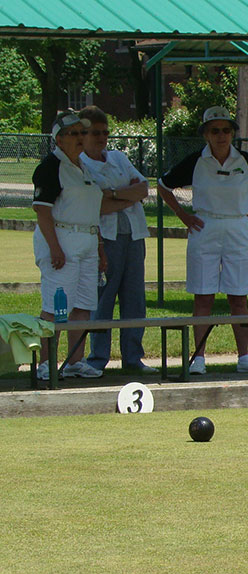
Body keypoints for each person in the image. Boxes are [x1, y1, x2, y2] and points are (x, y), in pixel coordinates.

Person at [157, 106, 248, 374]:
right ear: (205, 134)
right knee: (203, 296)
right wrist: (182, 214)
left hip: (238, 227)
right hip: (205, 226)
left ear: (233, 133)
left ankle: (244, 358)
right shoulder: (195, 161)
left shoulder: (245, 160)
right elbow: (163, 186)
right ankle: (199, 359)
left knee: (238, 296)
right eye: (215, 131)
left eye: (226, 130)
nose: (221, 135)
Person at [78, 105, 156, 375]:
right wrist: (123, 195)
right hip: (105, 239)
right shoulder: (81, 165)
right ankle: (97, 358)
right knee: (103, 300)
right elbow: (94, 205)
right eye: (94, 133)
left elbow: (143, 188)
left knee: (134, 300)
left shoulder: (119, 158)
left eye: (104, 132)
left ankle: (133, 357)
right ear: (82, 135)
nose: (101, 138)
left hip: (133, 236)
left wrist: (111, 194)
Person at [32, 110, 107, 380]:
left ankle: (75, 360)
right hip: (62, 239)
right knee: (55, 305)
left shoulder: (83, 167)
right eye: (74, 133)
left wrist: (99, 247)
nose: (80, 138)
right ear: (59, 139)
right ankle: (45, 363)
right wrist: (54, 248)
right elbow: (42, 211)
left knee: (83, 305)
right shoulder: (51, 167)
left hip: (86, 241)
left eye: (82, 133)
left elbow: (91, 212)